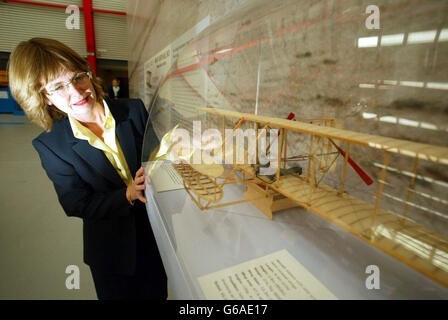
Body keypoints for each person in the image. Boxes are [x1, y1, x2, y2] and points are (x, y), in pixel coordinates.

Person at [8, 38, 167, 300]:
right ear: (43, 97)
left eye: (78, 77)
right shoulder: (51, 146)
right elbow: (76, 203)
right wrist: (126, 194)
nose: (77, 92)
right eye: (58, 87)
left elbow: (156, 155)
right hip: (111, 252)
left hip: (155, 238)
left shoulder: (133, 109)